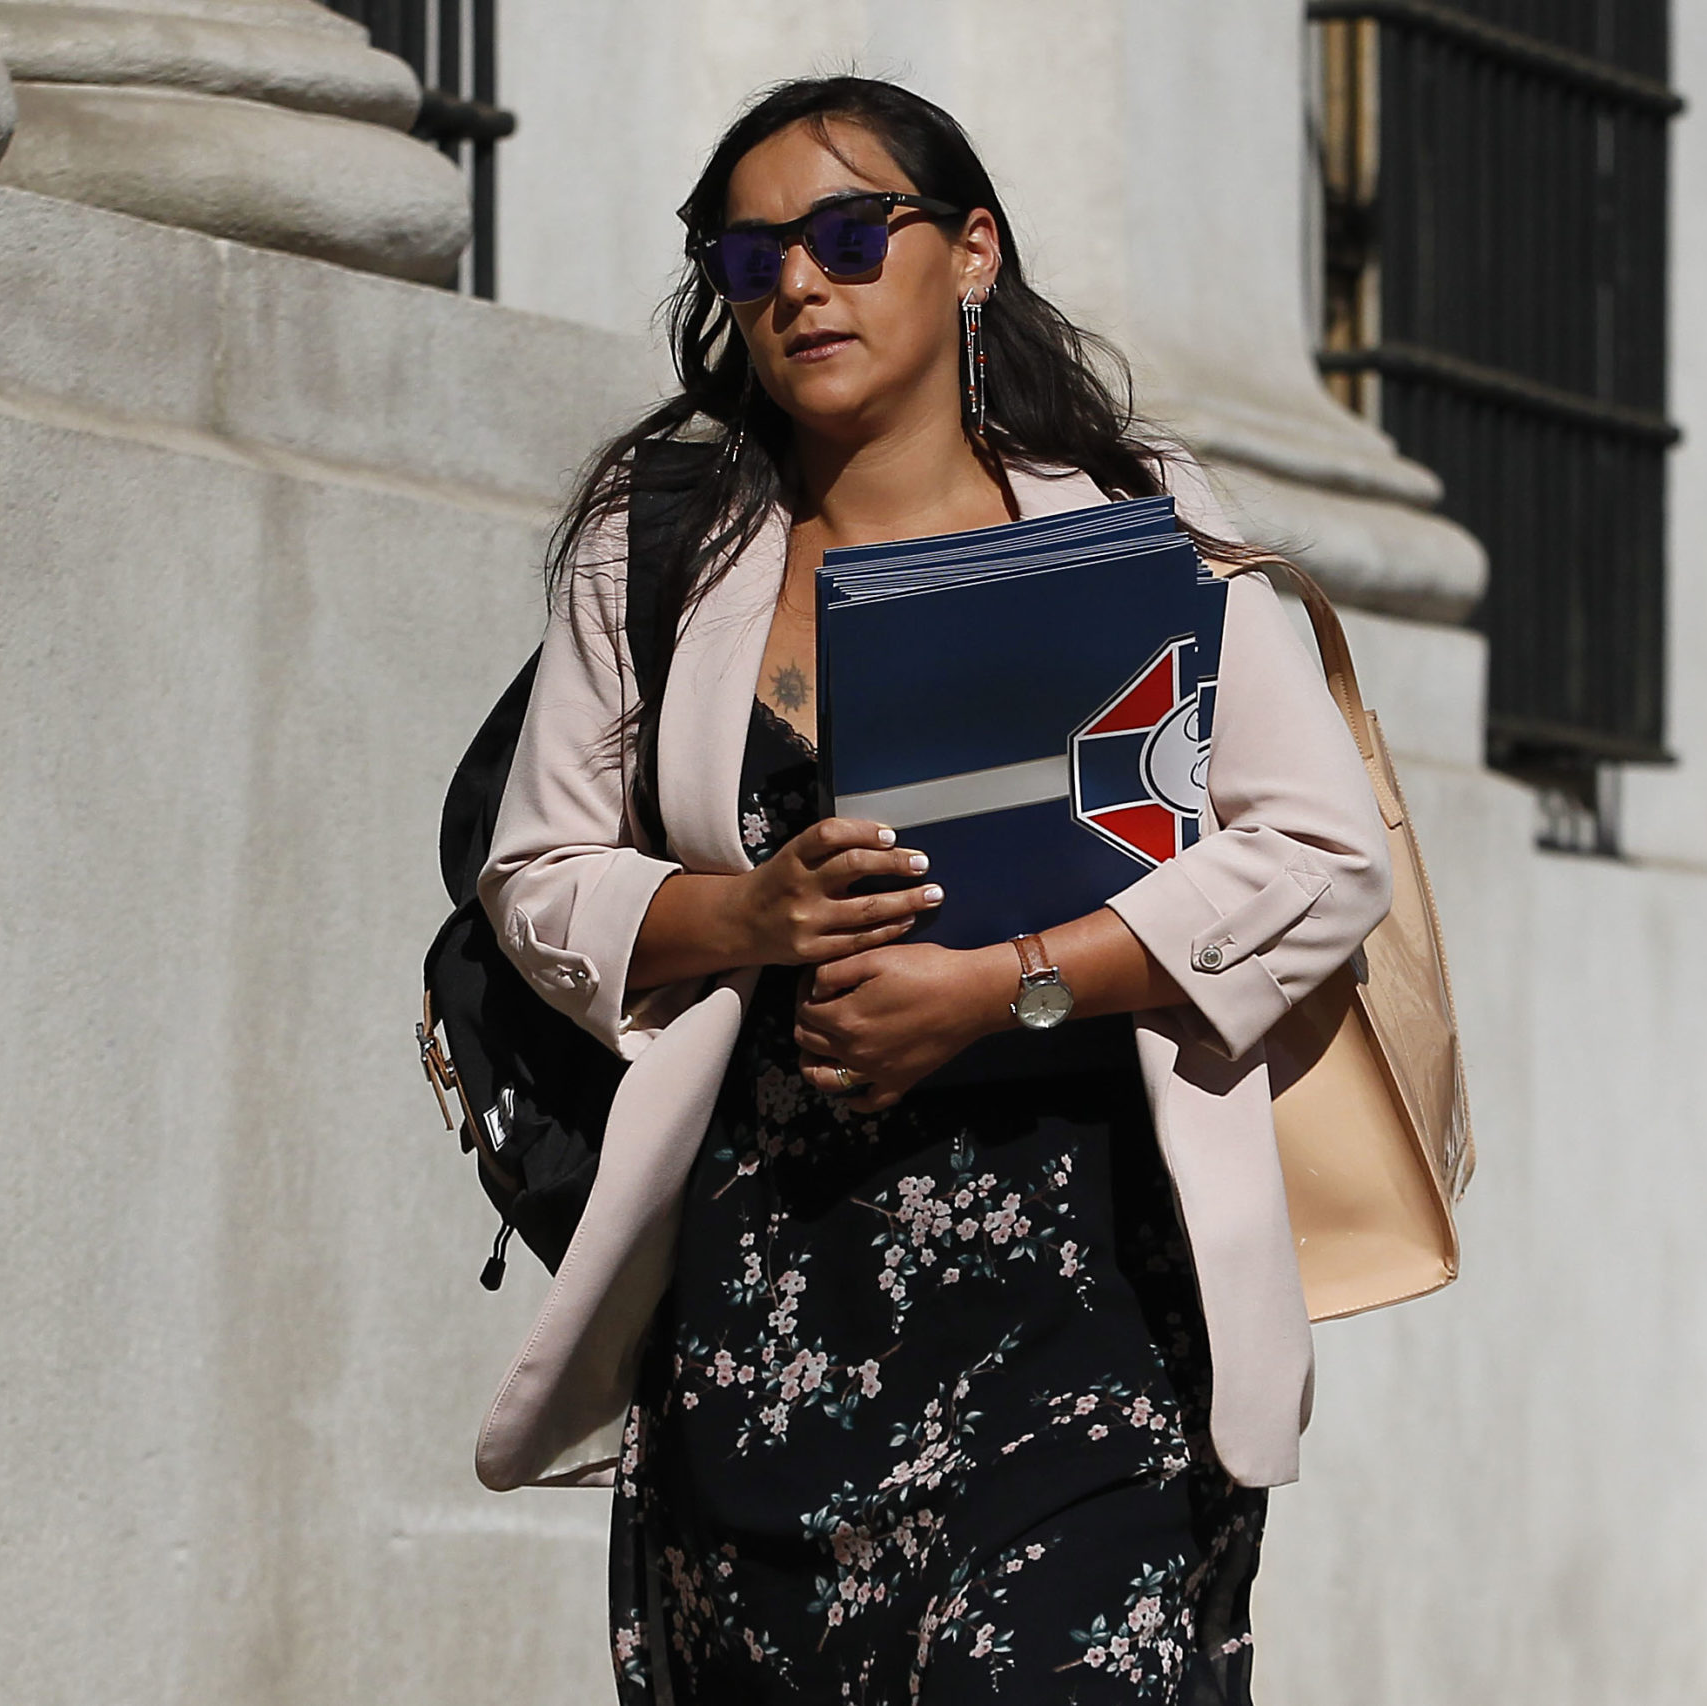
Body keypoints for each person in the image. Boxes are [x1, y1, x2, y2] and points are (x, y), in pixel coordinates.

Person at [475, 77, 1391, 1704]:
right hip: (765, 1314)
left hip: (1089, 1306)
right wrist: (743, 916)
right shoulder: (661, 543)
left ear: (972, 252)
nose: (798, 283)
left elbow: (1322, 854)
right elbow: (536, 874)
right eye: (750, 257)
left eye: (847, 234)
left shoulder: (1134, 519)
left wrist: (1007, 981)